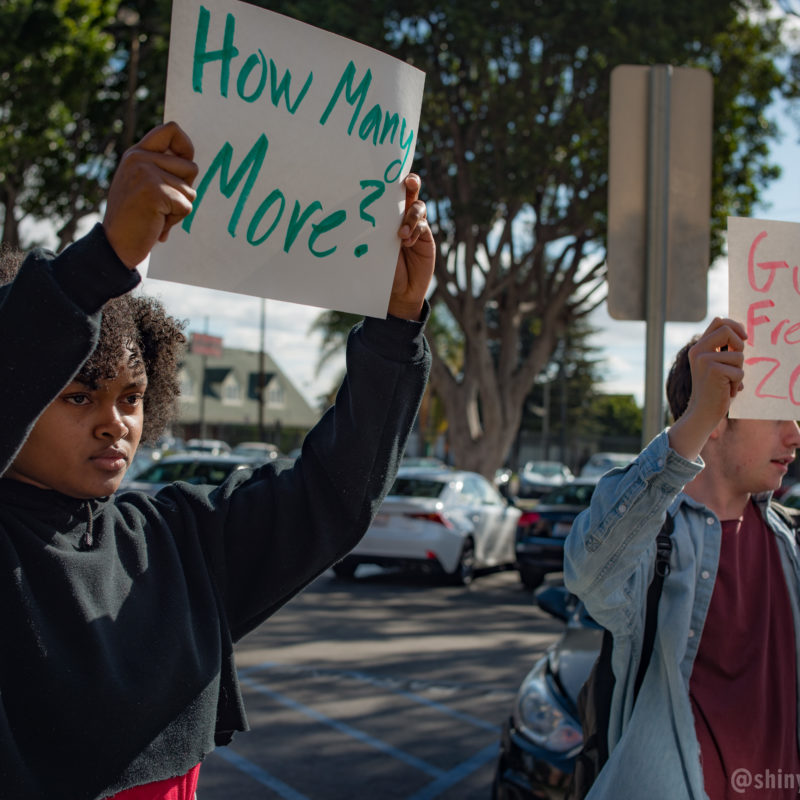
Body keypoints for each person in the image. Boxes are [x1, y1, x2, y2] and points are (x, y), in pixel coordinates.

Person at [0, 121, 435, 800]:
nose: (114, 423)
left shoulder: (175, 541)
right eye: (78, 395)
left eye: (132, 397)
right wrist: (104, 257)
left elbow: (331, 493)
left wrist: (397, 324)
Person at [565, 316, 800, 800]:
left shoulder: (790, 541)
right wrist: (693, 421)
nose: (794, 434)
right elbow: (588, 572)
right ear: (716, 421)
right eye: (776, 414)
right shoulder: (658, 539)